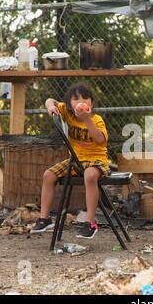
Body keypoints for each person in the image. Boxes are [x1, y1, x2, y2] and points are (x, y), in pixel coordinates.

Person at [30, 83, 109, 239]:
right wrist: (50, 107)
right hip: (75, 160)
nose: (82, 101)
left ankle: (90, 222)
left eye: (86, 98)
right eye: (76, 99)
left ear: (91, 103)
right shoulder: (67, 113)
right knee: (48, 175)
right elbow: (49, 100)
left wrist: (87, 120)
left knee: (90, 176)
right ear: (68, 105)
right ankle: (44, 218)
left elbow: (100, 140)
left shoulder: (96, 119)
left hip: (96, 159)